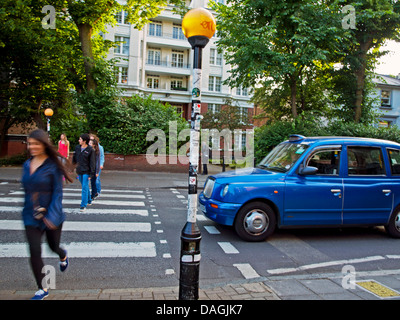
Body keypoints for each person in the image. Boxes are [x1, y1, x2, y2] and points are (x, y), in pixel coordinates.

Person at [22, 129, 73, 300]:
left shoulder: (53, 166)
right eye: (30, 144)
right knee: (34, 250)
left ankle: (63, 255)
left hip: (52, 216)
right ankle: (42, 288)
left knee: (53, 247)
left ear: (44, 144)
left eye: (36, 143)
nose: (32, 147)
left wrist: (51, 215)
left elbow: (58, 193)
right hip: (31, 215)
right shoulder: (27, 165)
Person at [72, 133, 95, 212]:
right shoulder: (77, 148)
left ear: (84, 141)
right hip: (79, 170)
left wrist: (92, 173)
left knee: (84, 187)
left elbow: (92, 162)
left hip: (86, 171)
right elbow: (74, 158)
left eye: (80, 139)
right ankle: (89, 200)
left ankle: (83, 205)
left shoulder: (90, 150)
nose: (79, 140)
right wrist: (73, 167)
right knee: (84, 186)